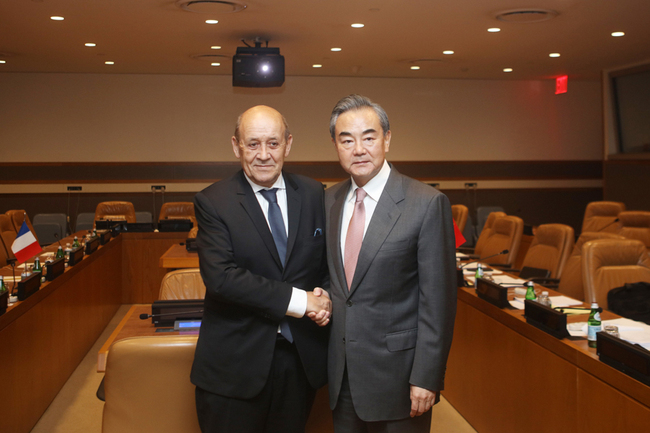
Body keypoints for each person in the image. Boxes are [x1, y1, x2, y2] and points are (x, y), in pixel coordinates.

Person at [191, 105, 332, 433]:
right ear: (236, 146)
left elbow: (325, 264)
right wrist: (303, 301)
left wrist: (326, 297)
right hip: (234, 368)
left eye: (273, 143)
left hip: (299, 364)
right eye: (253, 144)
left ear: (288, 144)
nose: (264, 154)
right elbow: (222, 278)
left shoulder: (313, 193)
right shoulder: (213, 201)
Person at [325, 94, 457, 433]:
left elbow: (438, 303)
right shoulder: (328, 200)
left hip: (400, 380)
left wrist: (427, 377)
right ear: (335, 146)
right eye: (347, 140)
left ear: (387, 139)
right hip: (342, 378)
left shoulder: (426, 204)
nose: (359, 149)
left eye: (369, 137)